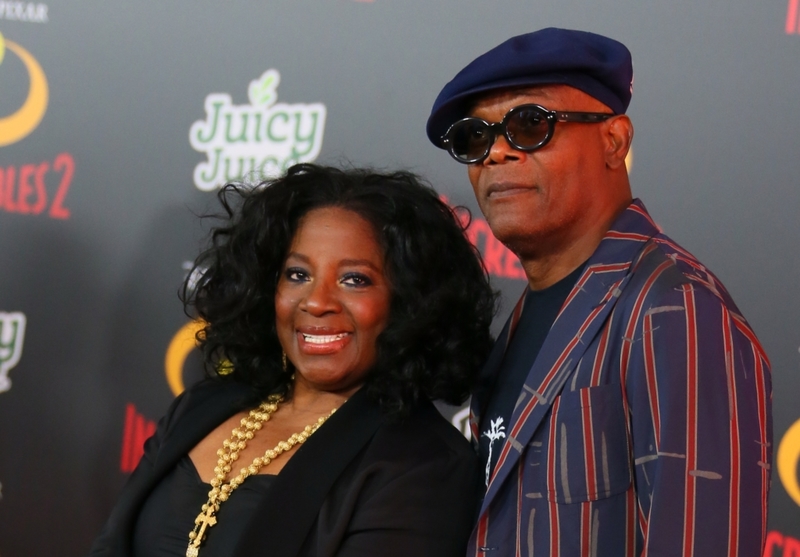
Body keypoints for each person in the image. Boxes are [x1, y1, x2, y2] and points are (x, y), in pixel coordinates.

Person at [426, 28, 772, 557]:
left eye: (529, 126)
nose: (495, 153)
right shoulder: (528, 315)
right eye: (474, 138)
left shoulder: (673, 308)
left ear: (614, 140)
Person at [87, 164, 497, 557]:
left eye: (354, 279)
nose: (317, 302)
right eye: (297, 274)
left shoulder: (423, 464)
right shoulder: (200, 407)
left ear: (411, 301)